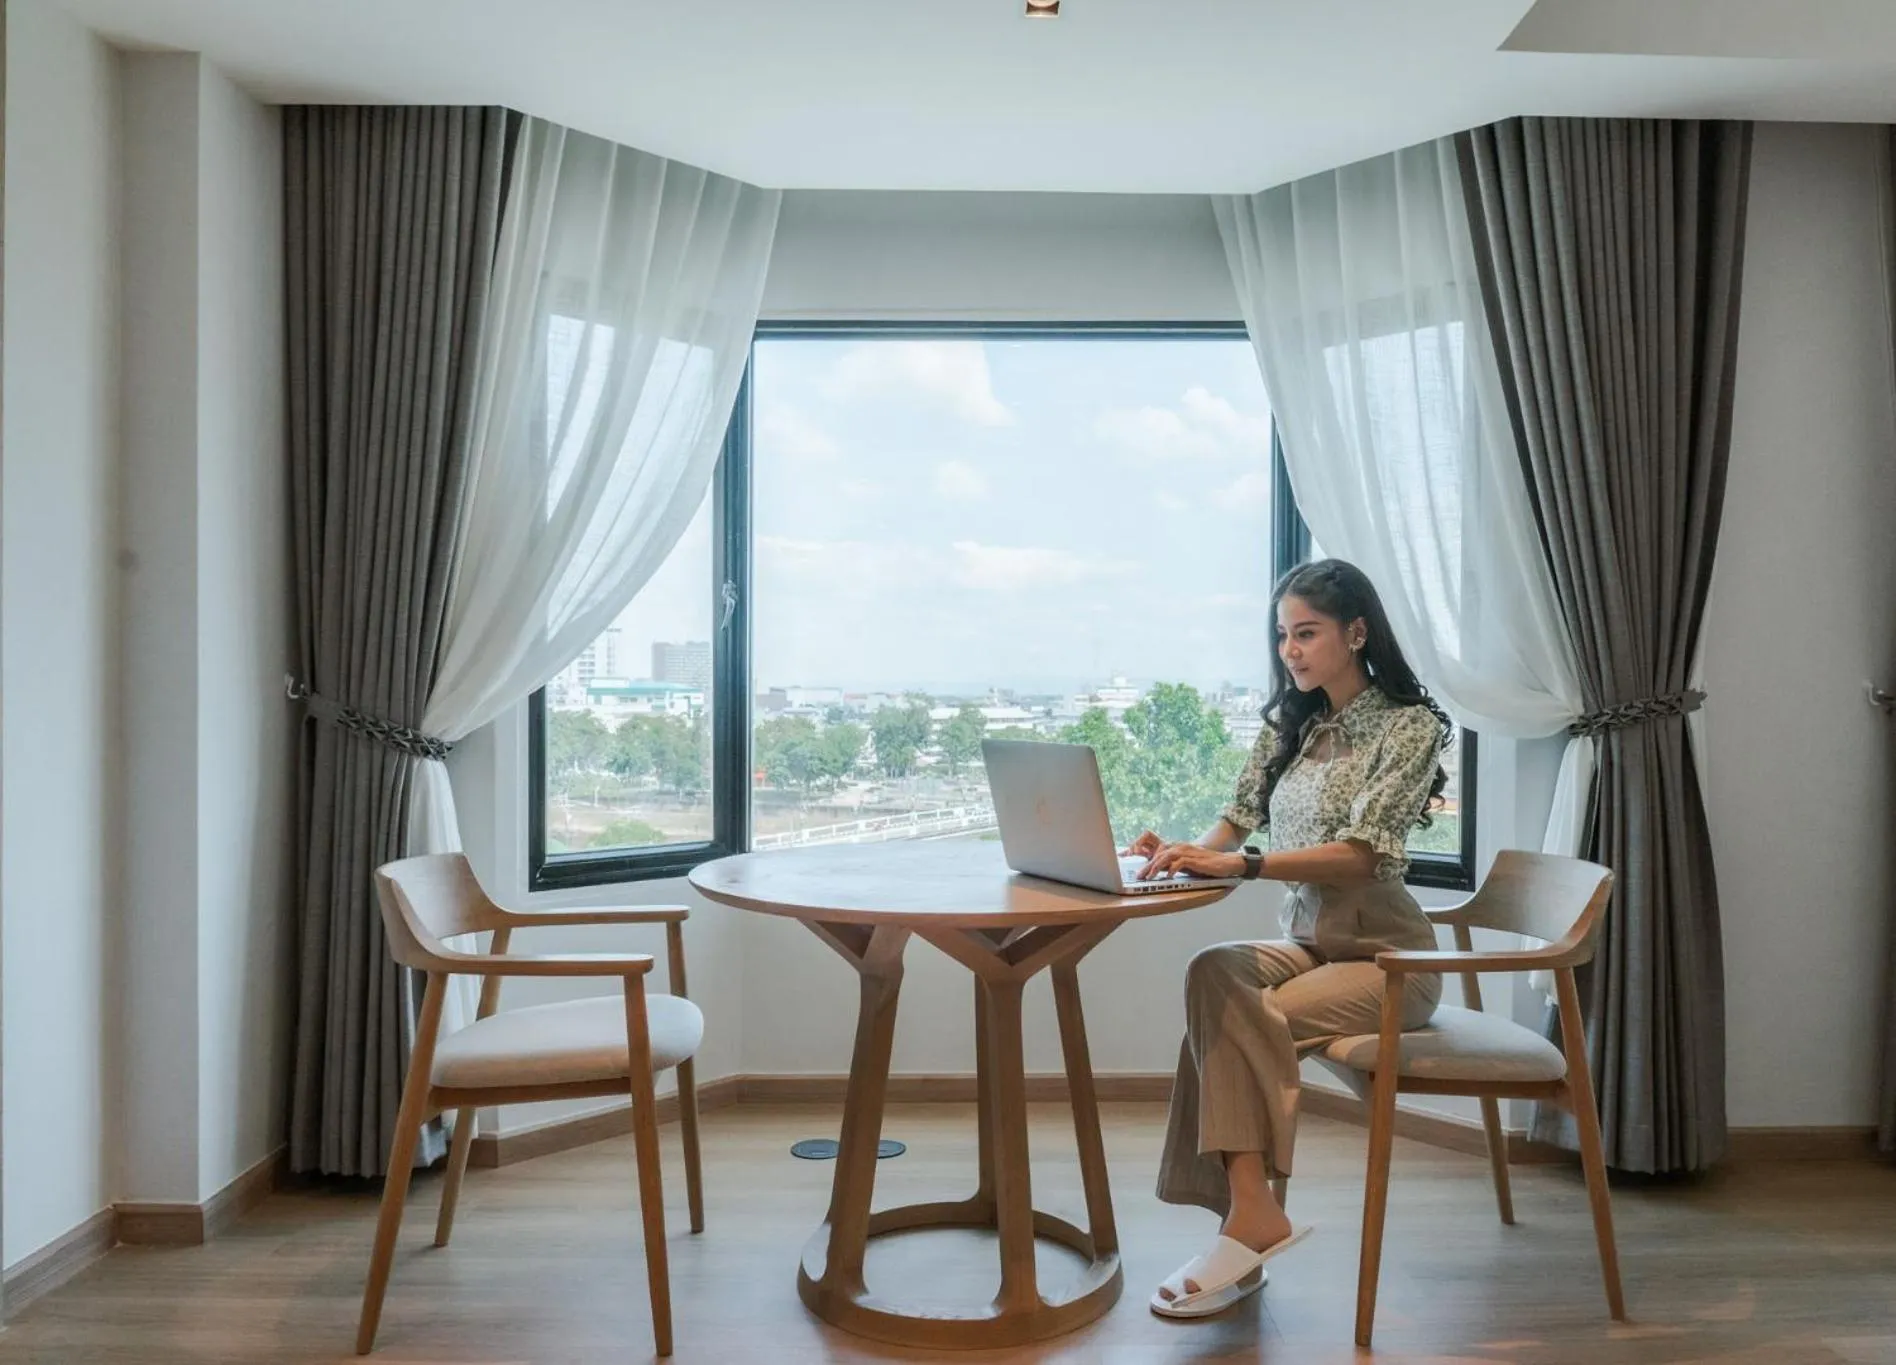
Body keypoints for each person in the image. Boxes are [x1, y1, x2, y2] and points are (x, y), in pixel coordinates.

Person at [1127, 558, 1452, 1319]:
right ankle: (1251, 1216)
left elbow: (1362, 855)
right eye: (1283, 636)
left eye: (1306, 633)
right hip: (1309, 942)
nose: (1290, 651)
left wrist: (1241, 864)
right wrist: (1179, 852)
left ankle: (1245, 1227)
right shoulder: (1292, 726)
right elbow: (1235, 820)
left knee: (1236, 1021)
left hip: (1388, 958)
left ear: (1356, 632)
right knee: (1214, 973)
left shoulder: (1409, 727)